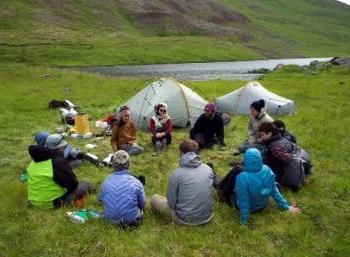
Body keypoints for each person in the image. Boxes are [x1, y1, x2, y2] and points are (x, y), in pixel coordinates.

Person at [151, 139, 214, 225]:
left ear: (182, 154)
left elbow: (171, 204)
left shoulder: (176, 174)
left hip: (185, 219)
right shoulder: (208, 169)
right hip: (207, 217)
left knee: (154, 198)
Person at [235, 148, 301, 225]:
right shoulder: (267, 169)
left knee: (235, 177)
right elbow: (274, 190)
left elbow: (244, 201)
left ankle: (222, 190)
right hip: (263, 205)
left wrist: (244, 221)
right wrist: (287, 206)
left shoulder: (242, 177)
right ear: (260, 158)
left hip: (251, 209)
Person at [27, 134, 93, 209]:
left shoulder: (33, 162)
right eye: (64, 147)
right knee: (87, 184)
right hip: (53, 203)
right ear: (60, 148)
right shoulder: (57, 162)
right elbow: (73, 185)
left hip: (33, 202)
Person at [99, 150, 146, 227]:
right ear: (129, 164)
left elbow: (101, 200)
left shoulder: (106, 182)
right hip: (132, 221)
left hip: (109, 221)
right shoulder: (136, 182)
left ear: (113, 165)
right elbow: (142, 204)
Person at [259, 122, 306, 190]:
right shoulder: (281, 139)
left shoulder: (274, 148)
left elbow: (289, 159)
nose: (261, 138)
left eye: (262, 135)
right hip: (280, 169)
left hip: (280, 174)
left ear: (269, 133)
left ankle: (278, 186)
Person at [35, 131, 101, 168]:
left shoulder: (55, 140)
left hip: (66, 156)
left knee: (77, 153)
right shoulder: (42, 150)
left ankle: (96, 162)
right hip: (60, 162)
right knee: (77, 162)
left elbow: (67, 146)